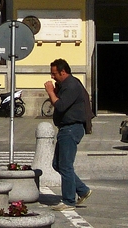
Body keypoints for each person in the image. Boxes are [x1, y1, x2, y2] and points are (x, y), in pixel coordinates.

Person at [44, 58, 92, 210]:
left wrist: (51, 91)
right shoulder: (66, 84)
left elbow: (60, 105)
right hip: (66, 128)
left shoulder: (71, 85)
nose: (52, 77)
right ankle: (83, 190)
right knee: (57, 164)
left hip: (71, 128)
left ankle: (68, 201)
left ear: (63, 72)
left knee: (65, 165)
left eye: (54, 73)